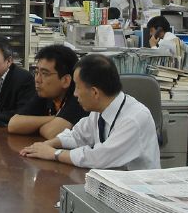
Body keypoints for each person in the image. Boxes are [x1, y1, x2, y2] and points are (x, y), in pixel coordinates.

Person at [20, 54, 161, 170]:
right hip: (111, 185)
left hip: (137, 195)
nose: (74, 94)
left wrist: (54, 154)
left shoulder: (134, 119)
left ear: (94, 92)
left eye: (77, 88)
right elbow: (77, 136)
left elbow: (99, 158)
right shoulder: (100, 110)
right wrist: (47, 145)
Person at [7, 45, 86, 139]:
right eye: (36, 72)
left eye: (44, 74)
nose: (37, 79)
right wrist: (54, 118)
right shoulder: (45, 94)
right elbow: (13, 124)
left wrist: (35, 125)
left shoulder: (78, 97)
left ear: (66, 80)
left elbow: (52, 133)